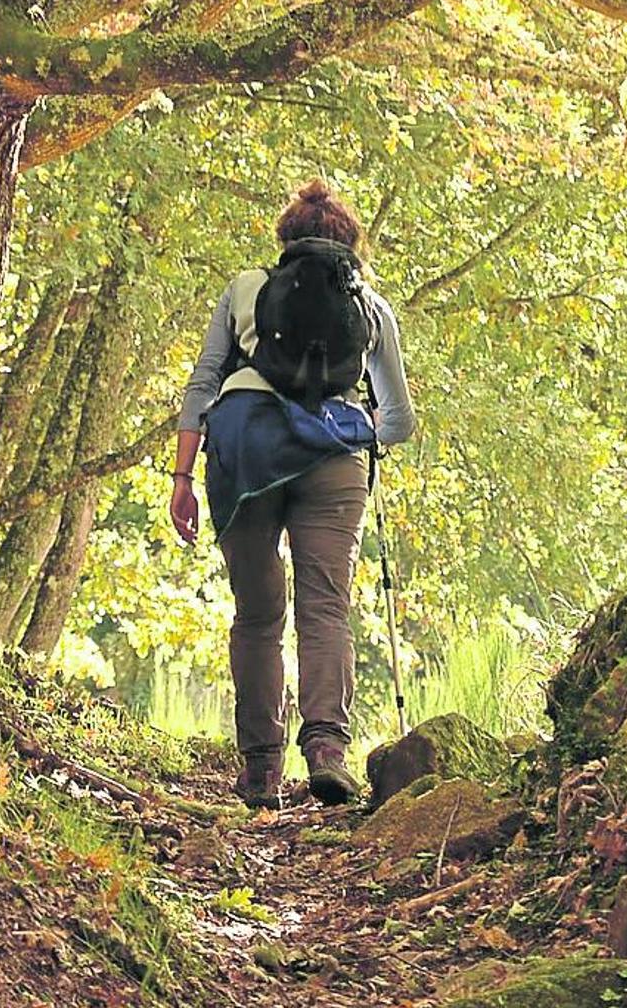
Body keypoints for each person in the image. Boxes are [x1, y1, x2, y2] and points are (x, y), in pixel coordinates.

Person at [169, 179, 416, 809]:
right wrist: (356, 431)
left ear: (285, 240)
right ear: (348, 245)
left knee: (258, 613)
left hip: (247, 452)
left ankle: (260, 772)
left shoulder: (245, 289)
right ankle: (328, 750)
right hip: (333, 462)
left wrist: (182, 477)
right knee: (325, 606)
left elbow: (203, 385)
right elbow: (400, 420)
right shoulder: (370, 305)